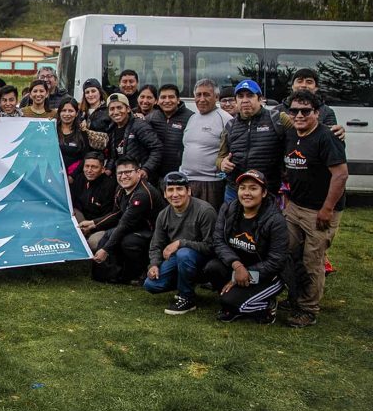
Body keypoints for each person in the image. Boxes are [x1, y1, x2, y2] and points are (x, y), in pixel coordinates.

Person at [280, 89, 348, 328]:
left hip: (320, 211)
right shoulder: (290, 134)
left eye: (305, 111)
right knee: (287, 251)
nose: (299, 115)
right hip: (296, 206)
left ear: (317, 113)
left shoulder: (327, 137)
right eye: (294, 111)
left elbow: (340, 175)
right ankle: (295, 296)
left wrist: (327, 209)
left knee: (312, 259)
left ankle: (308, 309)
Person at [200, 170, 286, 324]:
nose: (247, 193)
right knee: (212, 267)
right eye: (243, 188)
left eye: (253, 188)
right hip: (239, 268)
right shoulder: (228, 209)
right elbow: (218, 242)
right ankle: (231, 300)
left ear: (264, 192)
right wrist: (237, 267)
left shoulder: (275, 220)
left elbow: (276, 261)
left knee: (231, 302)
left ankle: (267, 306)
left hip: (267, 275)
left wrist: (246, 273)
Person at [142, 171, 217, 315]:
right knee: (151, 285)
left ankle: (186, 298)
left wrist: (180, 243)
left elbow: (212, 246)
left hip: (204, 260)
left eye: (179, 189)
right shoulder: (163, 215)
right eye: (170, 190)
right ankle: (184, 284)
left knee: (184, 253)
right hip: (180, 259)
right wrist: (154, 264)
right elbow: (156, 244)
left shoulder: (205, 211)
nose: (175, 194)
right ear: (164, 194)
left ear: (188, 191)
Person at [90, 156, 166, 284]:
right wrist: (93, 223)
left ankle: (139, 273)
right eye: (120, 173)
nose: (123, 176)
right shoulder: (120, 188)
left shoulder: (142, 194)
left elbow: (124, 225)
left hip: (155, 233)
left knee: (127, 241)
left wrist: (106, 250)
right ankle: (111, 274)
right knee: (108, 235)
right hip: (135, 226)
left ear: (138, 172)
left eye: (128, 172)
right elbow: (117, 213)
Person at [216, 79, 293, 203]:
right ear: (236, 101)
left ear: (260, 99)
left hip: (266, 191)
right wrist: (222, 164)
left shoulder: (278, 119)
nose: (245, 100)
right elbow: (220, 157)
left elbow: (306, 130)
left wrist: (334, 131)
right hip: (235, 191)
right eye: (240, 96)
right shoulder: (230, 125)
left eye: (250, 95)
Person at [179, 79, 232, 210]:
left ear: (216, 97)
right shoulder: (192, 118)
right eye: (198, 95)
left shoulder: (226, 119)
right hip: (187, 181)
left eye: (206, 95)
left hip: (210, 184)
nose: (202, 99)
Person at [103, 93, 162, 178]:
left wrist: (145, 169)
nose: (115, 112)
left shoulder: (139, 125)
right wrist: (108, 169)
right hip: (121, 176)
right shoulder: (111, 129)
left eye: (119, 107)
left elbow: (157, 148)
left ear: (128, 109)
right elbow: (113, 156)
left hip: (139, 177)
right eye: (112, 109)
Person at [270, 68, 342, 132]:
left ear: (316, 87)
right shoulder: (277, 110)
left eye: (309, 82)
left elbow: (331, 137)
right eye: (299, 81)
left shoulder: (327, 111)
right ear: (292, 86)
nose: (304, 85)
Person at [147, 83, 192, 180]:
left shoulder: (190, 117)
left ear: (178, 100)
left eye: (171, 97)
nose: (167, 101)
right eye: (163, 97)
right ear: (158, 101)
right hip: (155, 174)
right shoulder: (151, 117)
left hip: (180, 174)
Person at [73, 152, 117, 249]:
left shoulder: (110, 186)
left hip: (101, 225)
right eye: (87, 166)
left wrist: (92, 227)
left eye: (94, 167)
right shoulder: (80, 179)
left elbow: (111, 216)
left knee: (93, 243)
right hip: (84, 219)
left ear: (103, 169)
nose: (89, 170)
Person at [55, 97, 92, 176]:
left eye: (71, 111)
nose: (67, 114)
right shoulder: (52, 130)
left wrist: (73, 176)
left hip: (73, 179)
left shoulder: (82, 132)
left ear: (77, 113)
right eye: (64, 110)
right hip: (53, 176)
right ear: (59, 112)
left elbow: (85, 156)